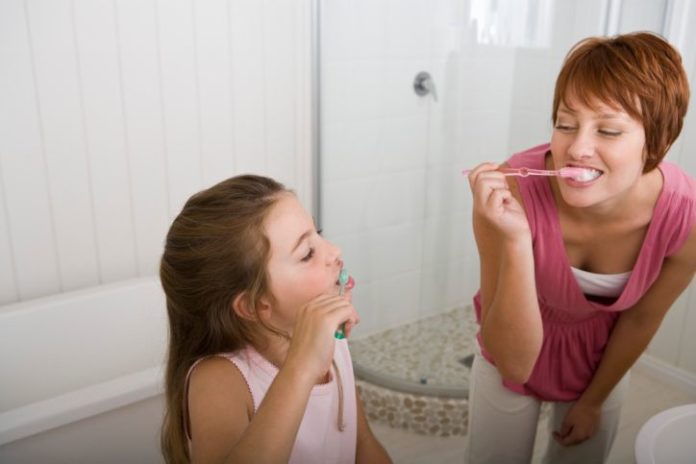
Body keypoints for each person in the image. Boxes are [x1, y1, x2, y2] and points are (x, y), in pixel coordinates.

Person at [465, 31, 695, 463]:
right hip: (509, 346)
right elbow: (512, 363)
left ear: (657, 142)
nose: (576, 148)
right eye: (565, 124)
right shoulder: (509, 190)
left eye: (608, 129)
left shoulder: (686, 218)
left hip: (601, 362)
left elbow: (641, 319)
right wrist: (516, 240)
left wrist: (592, 401)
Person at [159, 174, 392, 464]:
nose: (334, 251)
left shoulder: (332, 340)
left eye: (318, 232)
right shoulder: (220, 380)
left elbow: (362, 443)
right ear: (255, 305)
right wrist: (303, 365)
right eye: (308, 253)